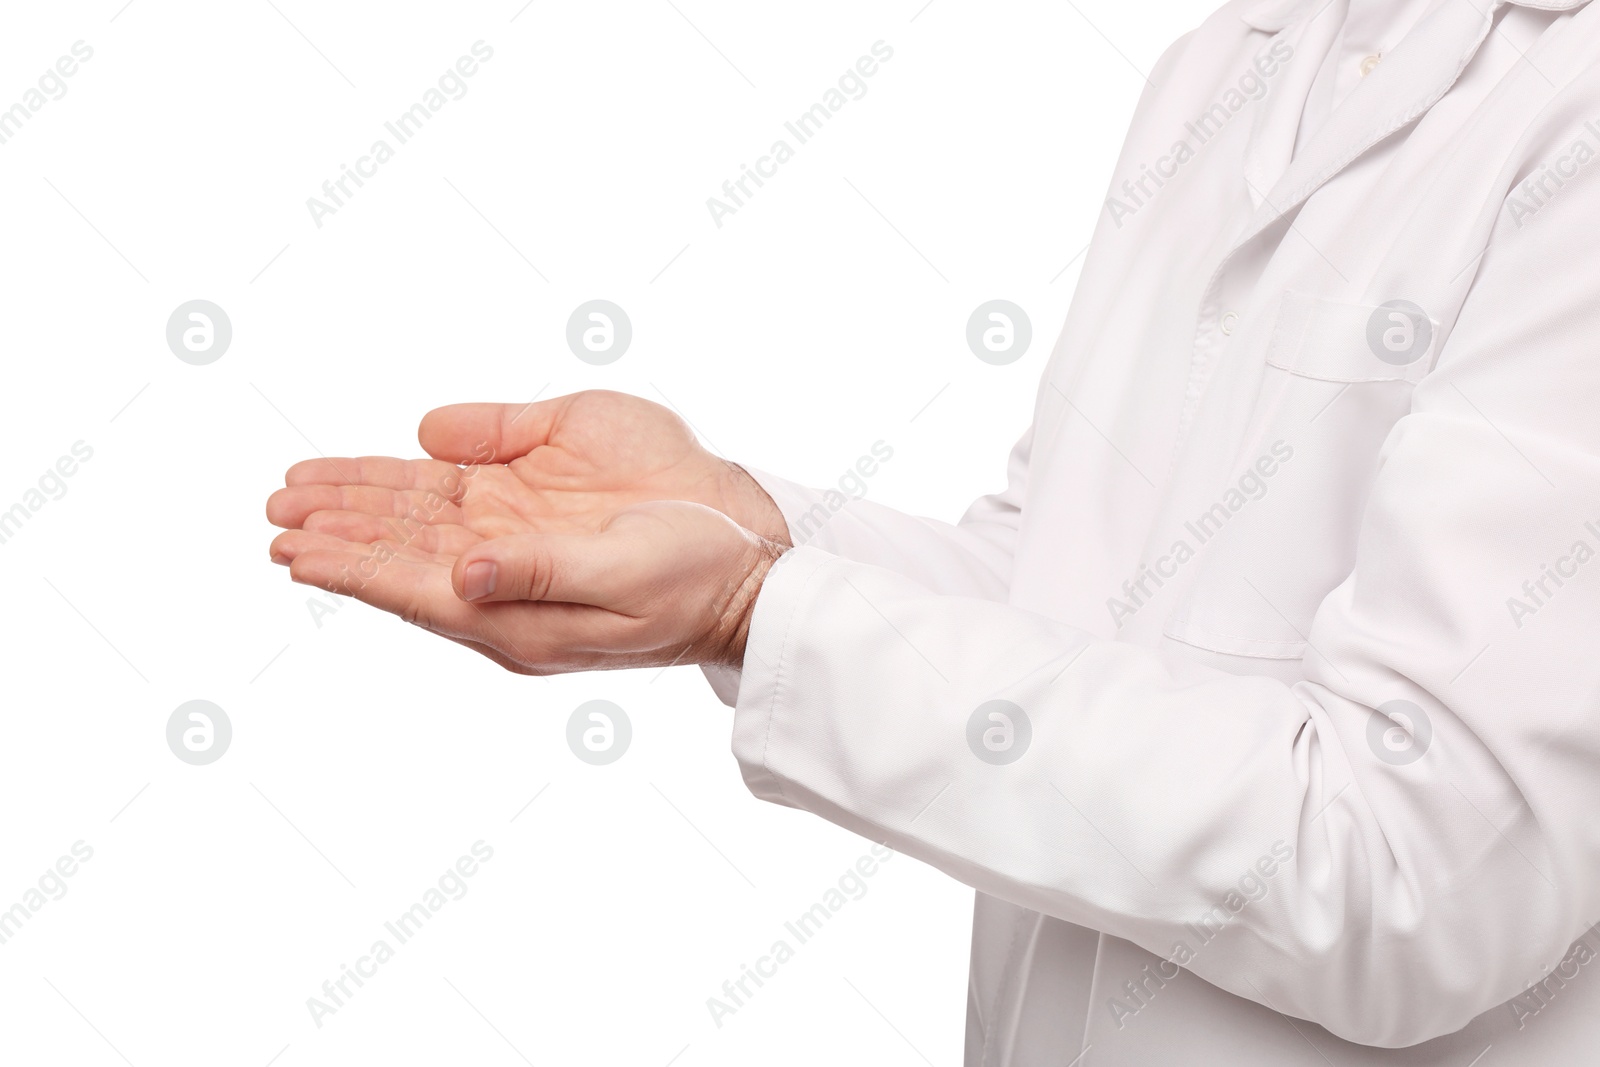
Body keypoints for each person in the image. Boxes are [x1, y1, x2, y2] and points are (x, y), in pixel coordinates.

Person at [266, 0, 1600, 1061]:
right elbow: (1067, 591)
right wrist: (743, 527)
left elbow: (1414, 867)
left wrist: (756, 608)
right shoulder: (1233, 60)